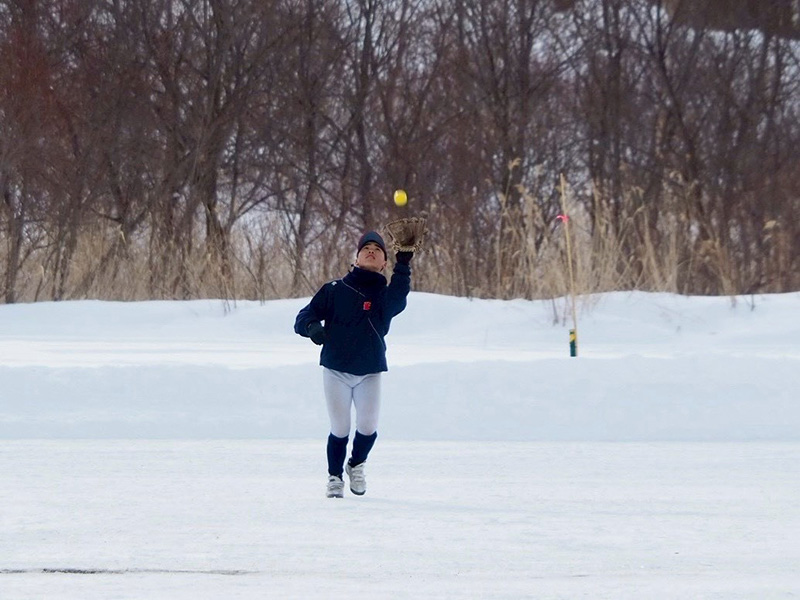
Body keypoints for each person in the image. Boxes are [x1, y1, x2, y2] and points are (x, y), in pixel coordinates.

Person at [294, 230, 413, 498]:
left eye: (378, 250)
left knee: (368, 426)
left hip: (369, 371)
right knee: (340, 428)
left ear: (384, 263)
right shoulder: (335, 290)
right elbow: (304, 316)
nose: (371, 251)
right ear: (357, 258)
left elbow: (400, 294)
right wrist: (311, 326)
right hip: (336, 369)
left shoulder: (385, 297)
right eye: (366, 248)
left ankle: (356, 465)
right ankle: (334, 476)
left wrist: (404, 265)